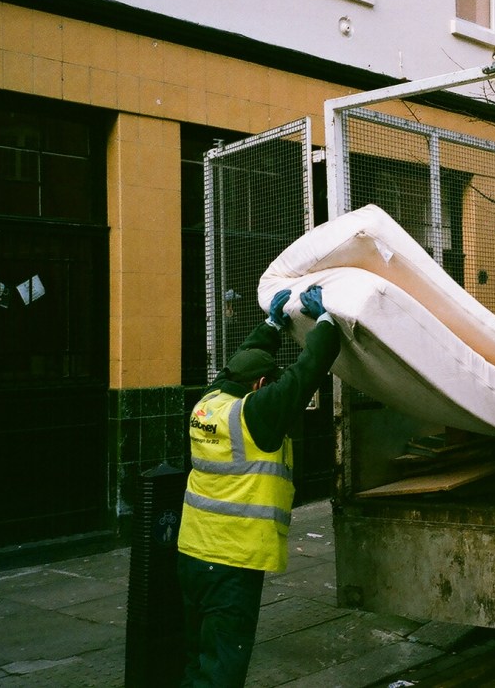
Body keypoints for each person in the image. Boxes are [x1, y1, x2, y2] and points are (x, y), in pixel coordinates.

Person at [176, 284, 339, 688]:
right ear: (260, 386)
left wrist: (271, 325)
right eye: (270, 382)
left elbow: (238, 363)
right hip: (233, 559)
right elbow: (308, 371)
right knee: (221, 670)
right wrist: (326, 321)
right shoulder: (257, 416)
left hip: (193, 554)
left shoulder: (209, 402)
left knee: (198, 657)